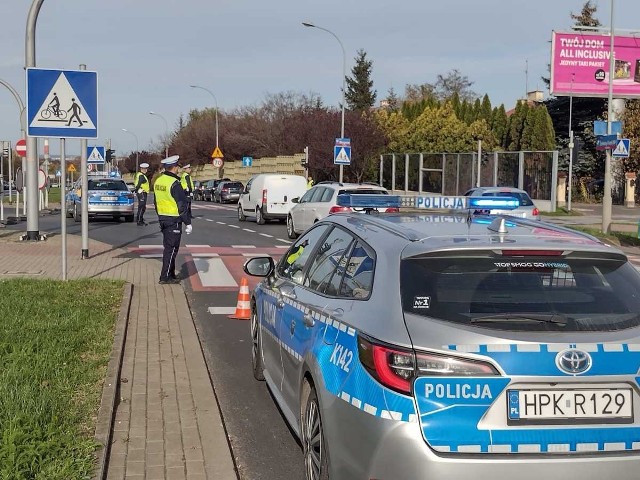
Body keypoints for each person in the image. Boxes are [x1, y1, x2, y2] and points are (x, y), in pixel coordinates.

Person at [153, 155, 192, 284]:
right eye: (177, 167)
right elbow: (181, 204)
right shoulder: (174, 183)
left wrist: (160, 216)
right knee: (172, 249)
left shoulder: (159, 181)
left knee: (169, 247)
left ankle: (171, 274)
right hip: (173, 219)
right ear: (174, 168)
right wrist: (187, 222)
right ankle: (165, 277)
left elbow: (156, 202)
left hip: (163, 218)